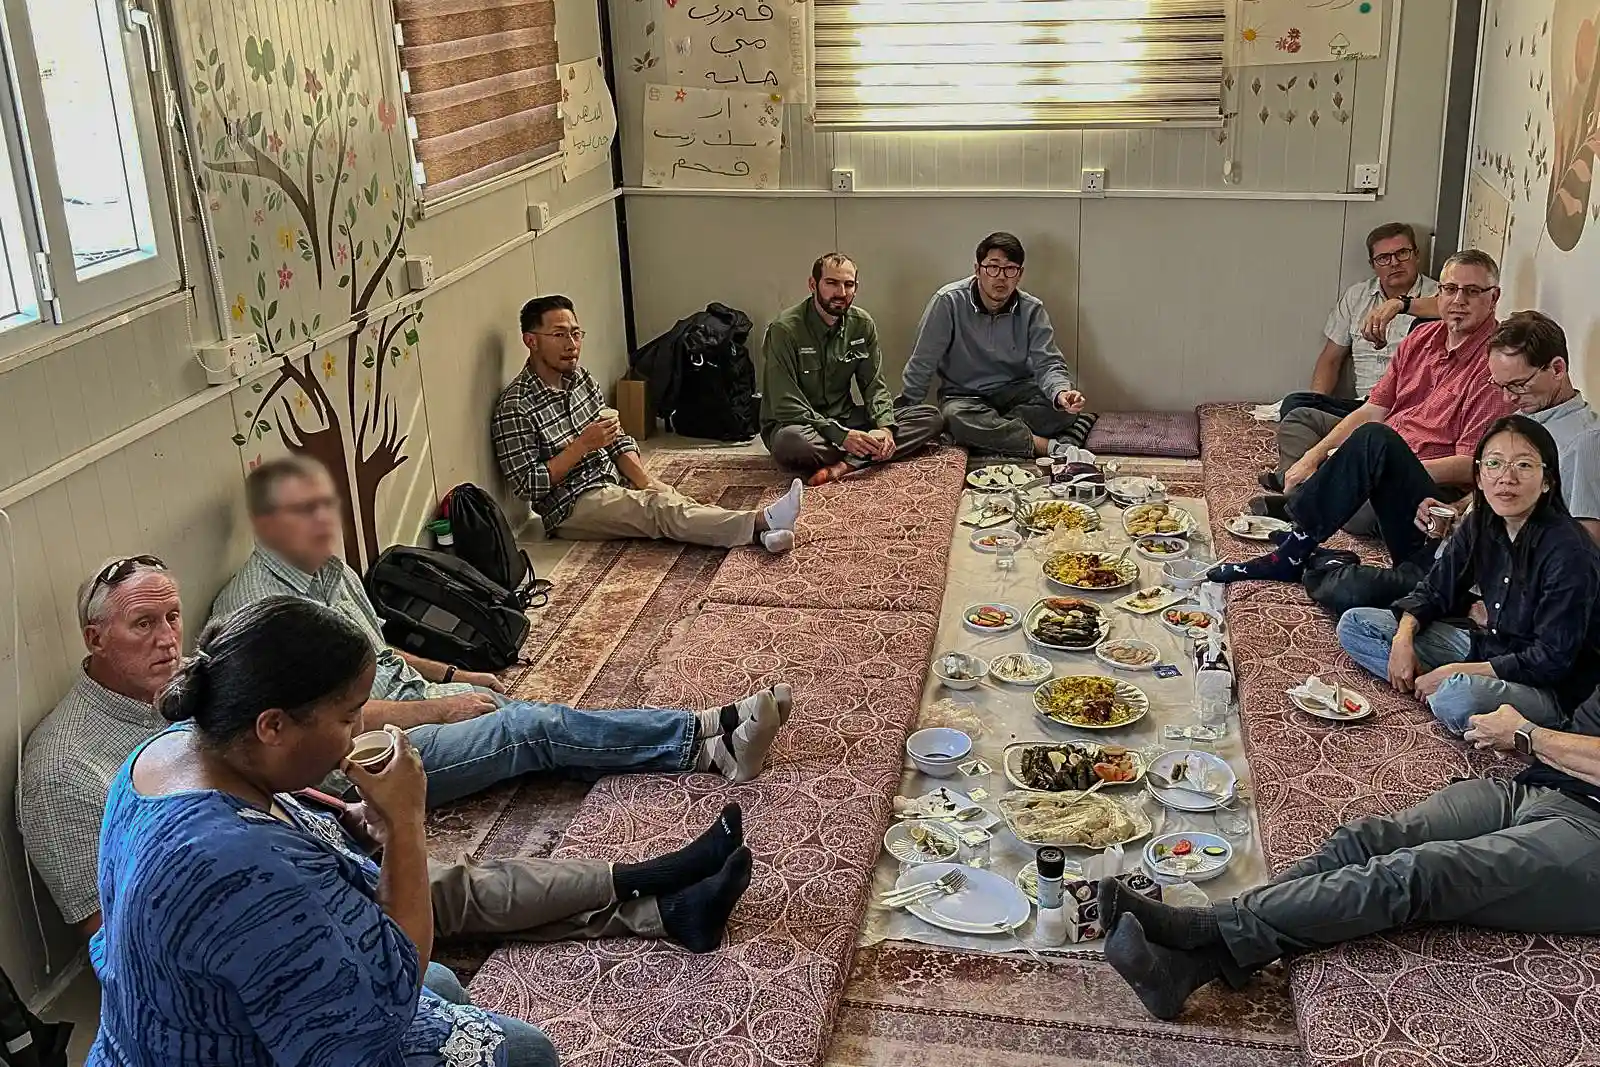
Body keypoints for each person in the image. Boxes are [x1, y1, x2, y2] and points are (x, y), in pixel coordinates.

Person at [87, 597, 756, 1065]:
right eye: (347, 718)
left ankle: (662, 902)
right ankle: (659, 896)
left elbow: (268, 853)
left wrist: (349, 825)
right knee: (526, 1049)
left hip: (172, 1028)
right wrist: (406, 822)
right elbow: (381, 1005)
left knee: (445, 968)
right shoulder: (232, 863)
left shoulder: (168, 751)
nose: (360, 731)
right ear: (272, 725)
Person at [22, 558, 760, 954]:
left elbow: (252, 781)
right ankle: (669, 850)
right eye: (142, 624)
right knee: (475, 996)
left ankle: (660, 899)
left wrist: (325, 814)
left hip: (292, 857)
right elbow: (112, 944)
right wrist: (401, 820)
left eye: (171, 618)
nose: (166, 638)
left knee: (454, 885)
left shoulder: (190, 703)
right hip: (247, 929)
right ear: (93, 637)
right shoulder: (65, 765)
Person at [208, 458, 791, 805]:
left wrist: (453, 674)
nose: (323, 521)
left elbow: (379, 651)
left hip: (410, 699)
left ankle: (710, 741)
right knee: (528, 730)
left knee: (540, 722)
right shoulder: (259, 607)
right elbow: (331, 723)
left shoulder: (330, 570)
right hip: (363, 757)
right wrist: (440, 709)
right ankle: (701, 737)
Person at [1098, 694, 1600, 1022]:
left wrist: (1531, 735)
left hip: (1589, 832)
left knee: (1421, 871)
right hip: (1546, 786)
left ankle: (1200, 928)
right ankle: (1191, 967)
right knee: (1368, 839)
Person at [1210, 250, 1514, 584]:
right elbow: (1374, 408)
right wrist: (1314, 457)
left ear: (1494, 297)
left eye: (1472, 291)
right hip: (1382, 446)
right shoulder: (1422, 337)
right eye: (1450, 289)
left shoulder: (1495, 365)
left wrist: (1387, 468)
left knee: (1372, 442)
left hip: (1424, 484)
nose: (1458, 300)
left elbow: (1472, 464)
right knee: (1300, 417)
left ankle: (1296, 535)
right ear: (1438, 293)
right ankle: (1310, 491)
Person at [1305, 311, 1600, 615]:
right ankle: (1300, 542)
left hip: (1471, 578)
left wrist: (1504, 597)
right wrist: (1458, 509)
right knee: (1375, 438)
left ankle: (1324, 563)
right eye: (1500, 386)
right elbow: (1492, 492)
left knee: (1349, 590)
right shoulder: (1524, 418)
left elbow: (1586, 547)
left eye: (1517, 385)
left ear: (1557, 368)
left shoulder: (1584, 441)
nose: (1507, 398)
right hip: (1447, 543)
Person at [1336, 415, 1600, 733]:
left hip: (1547, 688)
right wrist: (1403, 638)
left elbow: (1550, 660)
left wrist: (1454, 674)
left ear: (1547, 481)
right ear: (1479, 475)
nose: (1507, 478)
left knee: (1458, 696)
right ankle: (1436, 688)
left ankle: (1450, 692)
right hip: (1487, 649)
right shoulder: (1480, 523)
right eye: (1494, 464)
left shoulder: (1569, 551)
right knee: (1356, 624)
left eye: (1524, 465)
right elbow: (1434, 590)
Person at [493, 295, 802, 552]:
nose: (571, 344)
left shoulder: (581, 380)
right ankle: (761, 520)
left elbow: (618, 439)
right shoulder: (515, 407)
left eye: (576, 333)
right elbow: (528, 486)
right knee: (659, 510)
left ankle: (763, 537)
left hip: (611, 479)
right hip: (571, 504)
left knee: (670, 498)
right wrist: (582, 446)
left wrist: (645, 480)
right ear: (531, 341)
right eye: (559, 335)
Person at [897, 232, 1090, 458]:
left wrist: (1061, 393)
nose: (1001, 277)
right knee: (953, 417)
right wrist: (905, 413)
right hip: (964, 397)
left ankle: (984, 434)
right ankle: (1044, 446)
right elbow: (922, 362)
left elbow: (1048, 363)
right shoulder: (948, 301)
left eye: (1010, 269)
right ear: (977, 269)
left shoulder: (1032, 309)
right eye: (993, 267)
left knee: (1064, 411)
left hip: (1016, 392)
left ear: (1019, 274)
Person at [761, 253, 944, 486]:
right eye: (831, 283)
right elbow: (786, 404)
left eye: (848, 285)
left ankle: (845, 465)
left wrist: (885, 429)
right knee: (791, 443)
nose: (841, 292)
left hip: (845, 418)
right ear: (812, 284)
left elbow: (874, 385)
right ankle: (868, 454)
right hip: (801, 425)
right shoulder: (784, 330)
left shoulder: (862, 324)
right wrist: (842, 436)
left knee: (930, 417)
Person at [1272, 222, 1440, 425]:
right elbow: (1331, 359)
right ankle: (1348, 432)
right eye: (1384, 258)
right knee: (1296, 405)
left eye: (1402, 253)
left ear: (1417, 255)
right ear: (1373, 265)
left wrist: (1401, 304)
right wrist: (1315, 405)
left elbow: (1450, 308)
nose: (1394, 263)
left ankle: (1354, 435)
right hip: (1362, 406)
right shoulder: (1356, 296)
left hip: (1407, 408)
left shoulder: (1440, 295)